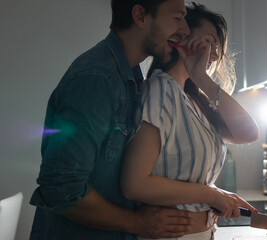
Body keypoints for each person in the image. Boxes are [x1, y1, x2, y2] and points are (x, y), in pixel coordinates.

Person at [29, 0, 194, 239]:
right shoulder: (96, 80)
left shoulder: (131, 77)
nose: (186, 30)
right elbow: (62, 189)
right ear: (140, 15)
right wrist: (139, 223)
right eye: (177, 18)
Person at [120, 3, 259, 239]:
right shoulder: (161, 90)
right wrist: (211, 195)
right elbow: (135, 184)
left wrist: (201, 79)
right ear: (181, 37)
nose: (213, 55)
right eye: (208, 42)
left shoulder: (192, 99)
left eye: (216, 48)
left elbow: (248, 133)